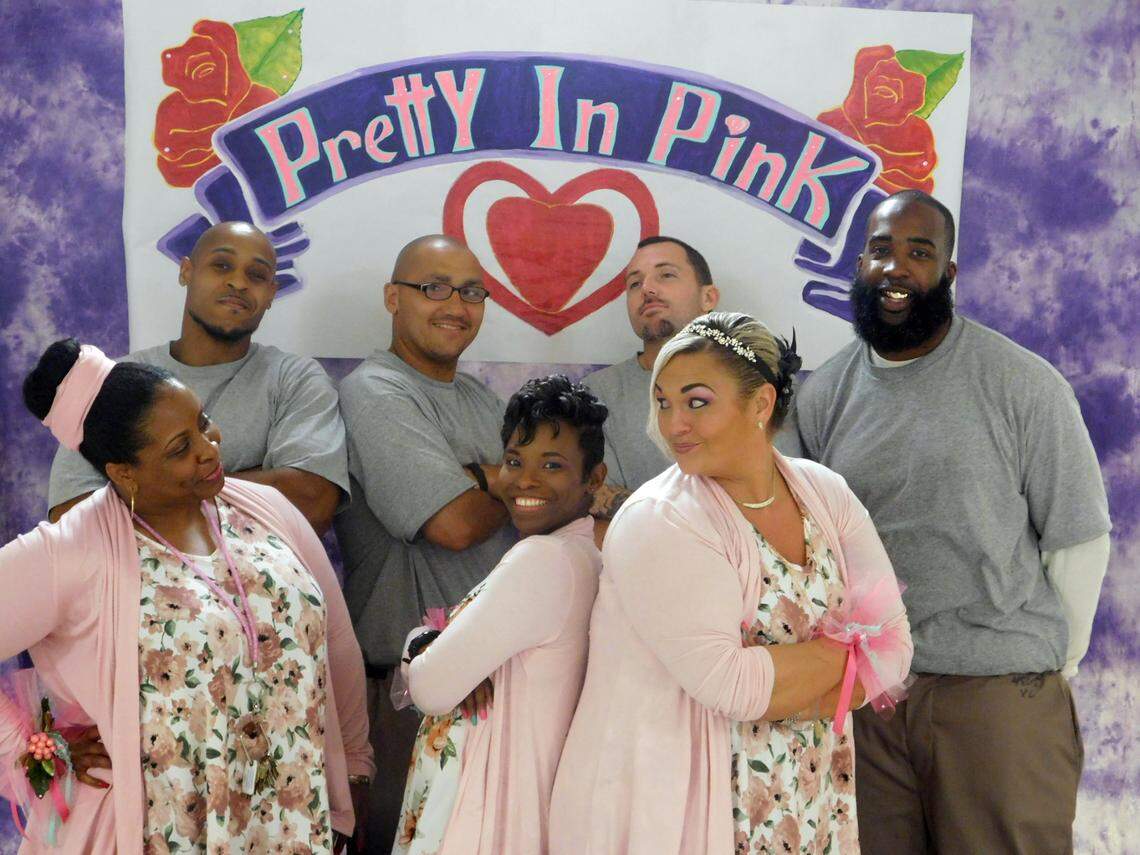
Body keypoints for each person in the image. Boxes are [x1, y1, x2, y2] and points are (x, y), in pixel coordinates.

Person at [778, 189, 1112, 853]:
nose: (896, 267)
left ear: (949, 275)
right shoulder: (826, 394)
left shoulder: (1021, 383)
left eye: (919, 252)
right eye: (881, 250)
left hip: (994, 695)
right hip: (870, 701)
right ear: (860, 264)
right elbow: (802, 544)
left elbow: (1079, 539)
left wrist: (1043, 664)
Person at [550, 312, 912, 854]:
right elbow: (734, 688)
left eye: (697, 402)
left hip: (805, 802)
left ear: (761, 404)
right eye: (664, 402)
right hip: (676, 805)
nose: (675, 425)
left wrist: (785, 687)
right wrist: (853, 654)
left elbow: (898, 652)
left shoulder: (824, 491)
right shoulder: (660, 518)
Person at [0, 339, 372, 853]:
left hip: (288, 817)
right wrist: (29, 747)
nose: (209, 447)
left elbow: (335, 642)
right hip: (161, 827)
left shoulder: (267, 510)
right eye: (180, 448)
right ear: (122, 472)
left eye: (203, 421)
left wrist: (354, 768)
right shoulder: (71, 551)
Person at [335, 235, 515, 846]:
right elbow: (455, 524)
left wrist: (490, 481)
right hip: (407, 695)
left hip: (492, 687)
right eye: (434, 287)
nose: (456, 305)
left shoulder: (482, 402)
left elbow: (546, 505)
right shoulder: (375, 391)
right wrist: (508, 479)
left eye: (471, 292)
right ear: (393, 298)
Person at [392, 375, 605, 855]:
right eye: (514, 461)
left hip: (495, 810)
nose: (525, 479)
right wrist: (435, 647)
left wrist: (421, 644)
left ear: (593, 479)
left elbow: (430, 687)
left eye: (552, 465)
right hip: (529, 799)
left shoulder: (542, 561)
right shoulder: (583, 556)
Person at [47, 221, 347, 534]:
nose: (238, 283)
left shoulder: (295, 379)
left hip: (258, 584)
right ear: (186, 271)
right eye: (221, 265)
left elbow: (311, 502)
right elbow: (72, 518)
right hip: (131, 583)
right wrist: (264, 479)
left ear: (271, 293)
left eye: (256, 275)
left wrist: (143, 490)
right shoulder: (110, 383)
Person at [581, 236, 719, 522]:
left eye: (666, 275)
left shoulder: (753, 380)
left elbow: (771, 489)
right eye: (635, 283)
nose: (648, 289)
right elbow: (592, 497)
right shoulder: (597, 394)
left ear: (708, 298)